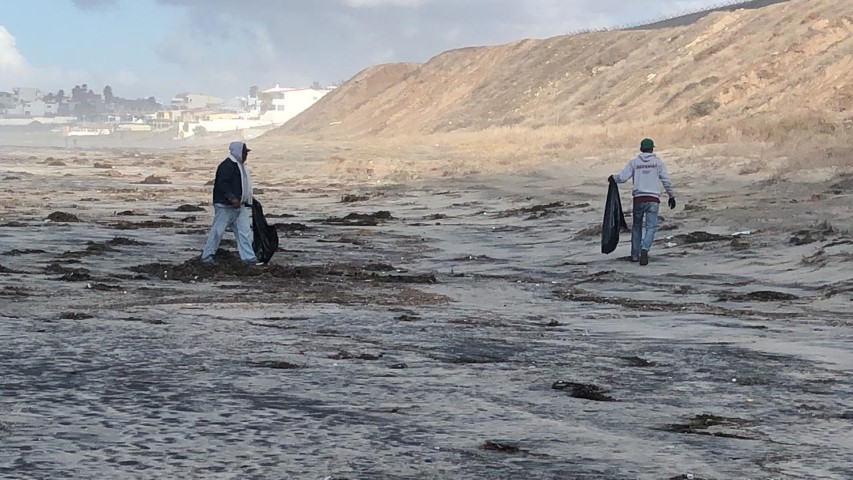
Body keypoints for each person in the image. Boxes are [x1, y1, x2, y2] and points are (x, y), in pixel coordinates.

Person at [608, 138, 676, 266]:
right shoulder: (658, 163)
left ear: (641, 149)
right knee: (651, 227)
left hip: (638, 199)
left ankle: (634, 255)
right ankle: (645, 249)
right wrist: (671, 196)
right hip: (653, 200)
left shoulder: (634, 163)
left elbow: (622, 178)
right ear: (652, 149)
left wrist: (612, 178)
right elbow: (666, 180)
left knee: (636, 227)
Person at [200, 141, 261, 265]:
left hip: (240, 206)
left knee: (245, 233)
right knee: (217, 232)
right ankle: (207, 256)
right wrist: (232, 198)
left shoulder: (240, 165)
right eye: (244, 153)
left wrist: (247, 199)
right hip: (225, 206)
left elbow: (244, 185)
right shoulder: (227, 166)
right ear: (237, 152)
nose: (246, 156)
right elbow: (222, 184)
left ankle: (249, 258)